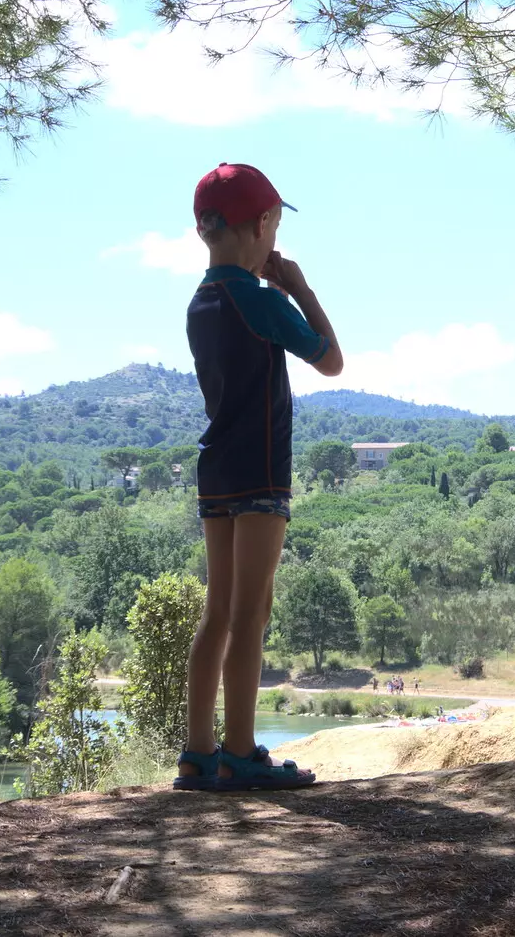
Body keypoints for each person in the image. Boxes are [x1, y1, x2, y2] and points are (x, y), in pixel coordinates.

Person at [173, 163, 344, 792]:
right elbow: (330, 360)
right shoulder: (261, 298)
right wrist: (299, 287)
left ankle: (196, 754)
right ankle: (241, 753)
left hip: (216, 466)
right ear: (260, 226)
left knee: (216, 612)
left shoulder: (202, 300)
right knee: (253, 613)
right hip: (261, 472)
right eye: (272, 224)